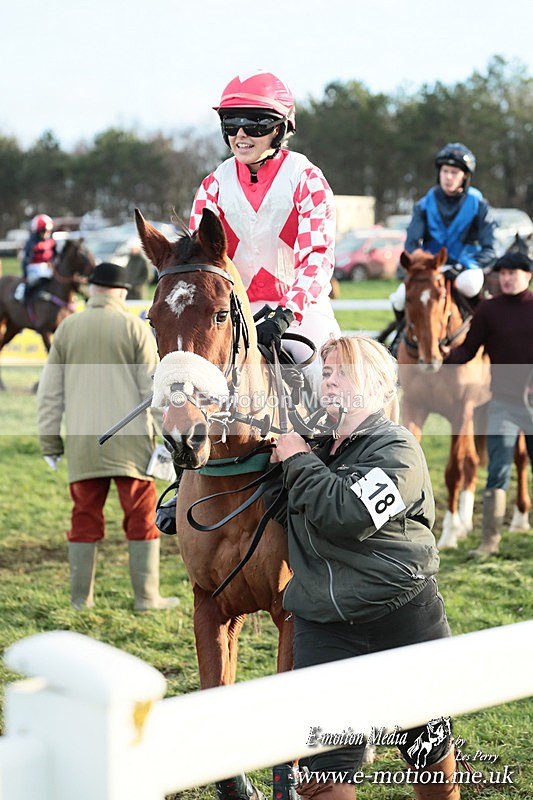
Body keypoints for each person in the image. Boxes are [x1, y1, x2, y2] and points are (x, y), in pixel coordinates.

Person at [264, 335, 459, 800]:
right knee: (323, 776)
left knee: (430, 765)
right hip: (324, 627)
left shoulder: (397, 448)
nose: (328, 380)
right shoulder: (320, 447)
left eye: (342, 371)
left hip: (402, 618)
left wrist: (297, 458)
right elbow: (282, 515)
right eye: (325, 371)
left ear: (374, 385)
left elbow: (346, 513)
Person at [189, 70, 341, 400]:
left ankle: (345, 448)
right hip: (231, 313)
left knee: (329, 383)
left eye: (255, 124)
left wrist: (287, 313)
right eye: (231, 124)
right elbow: (198, 262)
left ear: (279, 129)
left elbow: (316, 257)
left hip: (300, 312)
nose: (241, 134)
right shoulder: (212, 186)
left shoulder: (307, 178)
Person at [37, 261, 178, 612]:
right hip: (132, 446)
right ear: (121, 292)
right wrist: (167, 438)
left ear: (93, 291)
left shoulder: (67, 328)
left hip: (84, 445)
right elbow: (155, 389)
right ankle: (147, 598)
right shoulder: (133, 327)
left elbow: (50, 393)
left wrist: (50, 442)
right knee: (141, 518)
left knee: (84, 518)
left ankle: (79, 602)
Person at [444, 250, 533, 558]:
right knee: (497, 470)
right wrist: (443, 358)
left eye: (513, 273)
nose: (507, 278)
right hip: (503, 405)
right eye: (503, 273)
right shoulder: (488, 311)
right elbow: (468, 350)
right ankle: (489, 542)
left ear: (528, 275)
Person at [390, 143, 497, 319]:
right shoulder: (423, 205)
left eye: (454, 173)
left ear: (465, 176)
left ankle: (480, 332)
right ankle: (402, 337)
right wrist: (421, 266)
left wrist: (462, 266)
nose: (448, 177)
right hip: (431, 267)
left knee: (469, 284)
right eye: (445, 171)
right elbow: (411, 245)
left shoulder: (479, 205)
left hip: (467, 267)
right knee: (400, 298)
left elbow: (490, 248)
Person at [14, 214, 57, 303]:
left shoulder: (52, 242)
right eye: (44, 231)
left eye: (49, 231)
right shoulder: (32, 243)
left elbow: (55, 257)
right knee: (34, 283)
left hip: (48, 269)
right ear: (38, 231)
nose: (47, 233)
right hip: (34, 269)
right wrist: (25, 276)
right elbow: (26, 260)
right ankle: (25, 299)